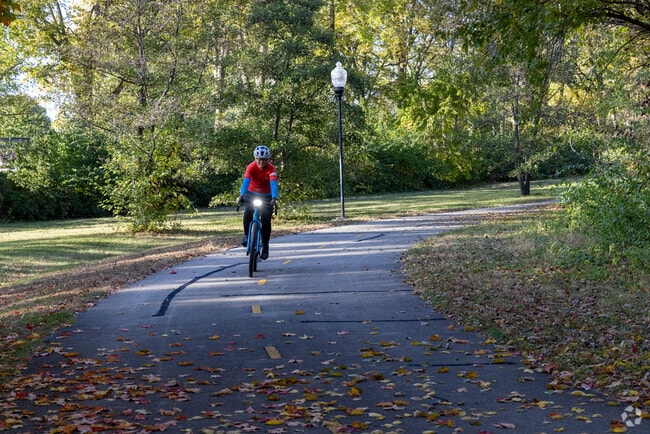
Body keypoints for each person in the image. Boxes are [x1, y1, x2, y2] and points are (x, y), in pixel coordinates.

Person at [237, 145, 278, 260]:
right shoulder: (251, 167)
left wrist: (274, 197)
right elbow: (246, 181)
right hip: (252, 193)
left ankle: (265, 246)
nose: (261, 162)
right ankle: (246, 236)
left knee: (266, 219)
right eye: (258, 159)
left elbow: (273, 183)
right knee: (248, 212)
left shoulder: (271, 168)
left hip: (267, 196)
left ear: (267, 159)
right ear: (255, 158)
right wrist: (241, 194)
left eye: (264, 159)